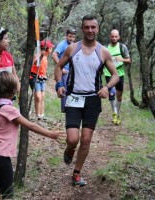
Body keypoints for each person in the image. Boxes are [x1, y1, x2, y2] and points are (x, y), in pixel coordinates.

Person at [54, 15, 119, 186]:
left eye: (93, 27)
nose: (90, 30)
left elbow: (115, 75)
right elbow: (58, 66)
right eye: (87, 27)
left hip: (92, 99)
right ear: (82, 29)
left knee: (86, 140)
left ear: (97, 29)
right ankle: (69, 150)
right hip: (74, 96)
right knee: (73, 139)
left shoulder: (103, 51)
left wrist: (106, 87)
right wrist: (59, 85)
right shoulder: (72, 49)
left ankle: (76, 173)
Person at [0, 71, 64, 199]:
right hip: (0, 156)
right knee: (8, 193)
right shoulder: (9, 110)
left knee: (1, 188)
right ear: (12, 91)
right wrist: (50, 134)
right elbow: (30, 125)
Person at [103, 29, 131, 125]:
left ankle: (118, 113)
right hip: (108, 73)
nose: (114, 38)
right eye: (112, 36)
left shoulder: (122, 47)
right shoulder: (105, 48)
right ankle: (114, 113)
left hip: (119, 74)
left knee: (119, 96)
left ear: (118, 37)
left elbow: (129, 60)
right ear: (110, 37)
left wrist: (121, 59)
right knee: (111, 94)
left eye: (116, 36)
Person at [52, 29, 77, 112]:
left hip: (71, 71)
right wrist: (60, 67)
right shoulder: (62, 44)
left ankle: (71, 106)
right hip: (63, 71)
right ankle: (65, 109)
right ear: (66, 36)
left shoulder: (74, 45)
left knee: (71, 89)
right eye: (70, 36)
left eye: (73, 37)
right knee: (64, 89)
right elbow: (54, 55)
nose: (71, 39)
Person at [29, 39, 54, 120]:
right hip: (34, 78)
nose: (52, 49)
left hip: (42, 79)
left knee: (42, 97)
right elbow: (35, 63)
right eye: (51, 48)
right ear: (48, 48)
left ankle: (42, 115)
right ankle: (37, 115)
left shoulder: (46, 57)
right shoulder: (39, 55)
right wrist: (41, 56)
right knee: (38, 97)